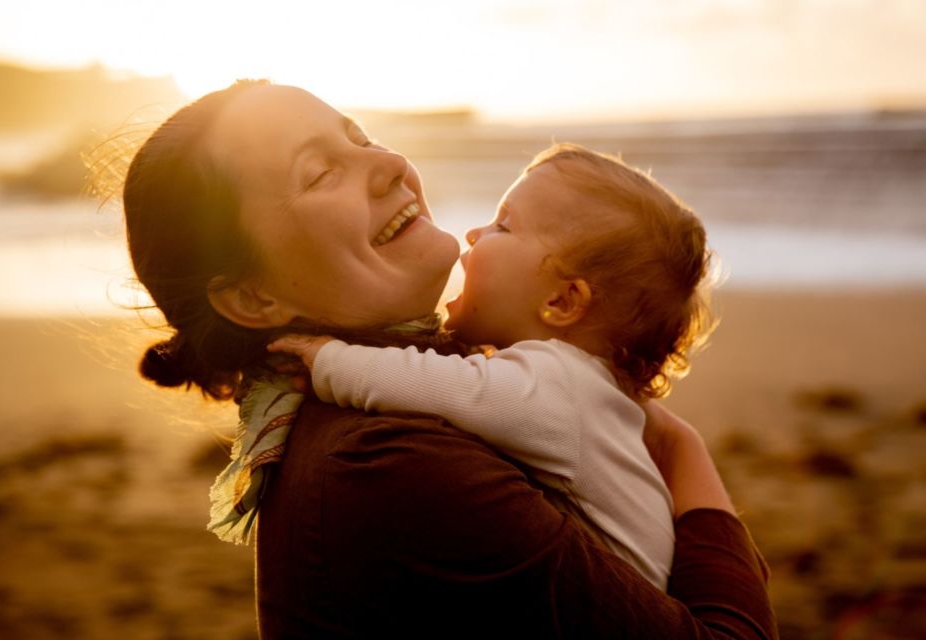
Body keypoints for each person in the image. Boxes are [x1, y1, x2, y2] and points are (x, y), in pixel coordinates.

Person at [123, 79, 777, 638]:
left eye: (360, 136)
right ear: (251, 297)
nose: (388, 162)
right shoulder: (390, 463)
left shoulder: (407, 400)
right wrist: (680, 451)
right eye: (320, 172)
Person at [266, 143, 715, 591]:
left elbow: (441, 385)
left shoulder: (558, 384)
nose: (474, 234)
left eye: (503, 225)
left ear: (561, 301)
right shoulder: (585, 392)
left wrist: (328, 359)